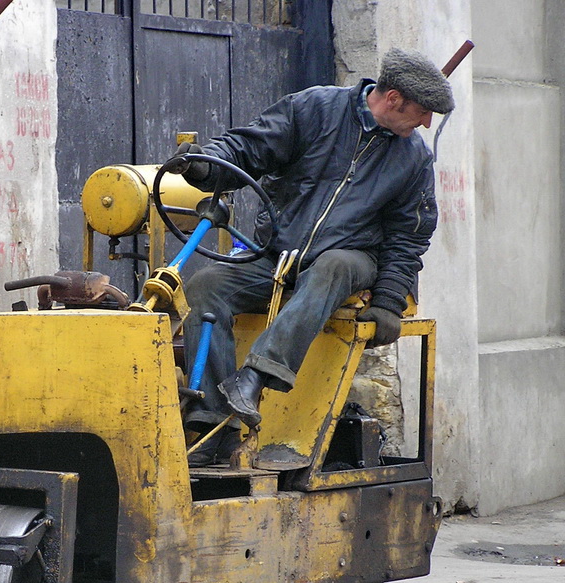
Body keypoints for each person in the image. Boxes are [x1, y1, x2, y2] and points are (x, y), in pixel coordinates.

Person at [172, 48, 454, 467]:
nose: (427, 123)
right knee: (206, 286)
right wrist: (205, 166)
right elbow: (248, 148)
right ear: (393, 99)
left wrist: (390, 301)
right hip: (279, 256)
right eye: (424, 111)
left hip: (352, 260)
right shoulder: (315, 109)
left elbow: (408, 237)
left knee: (334, 265)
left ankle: (256, 377)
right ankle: (214, 421)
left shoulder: (414, 159)